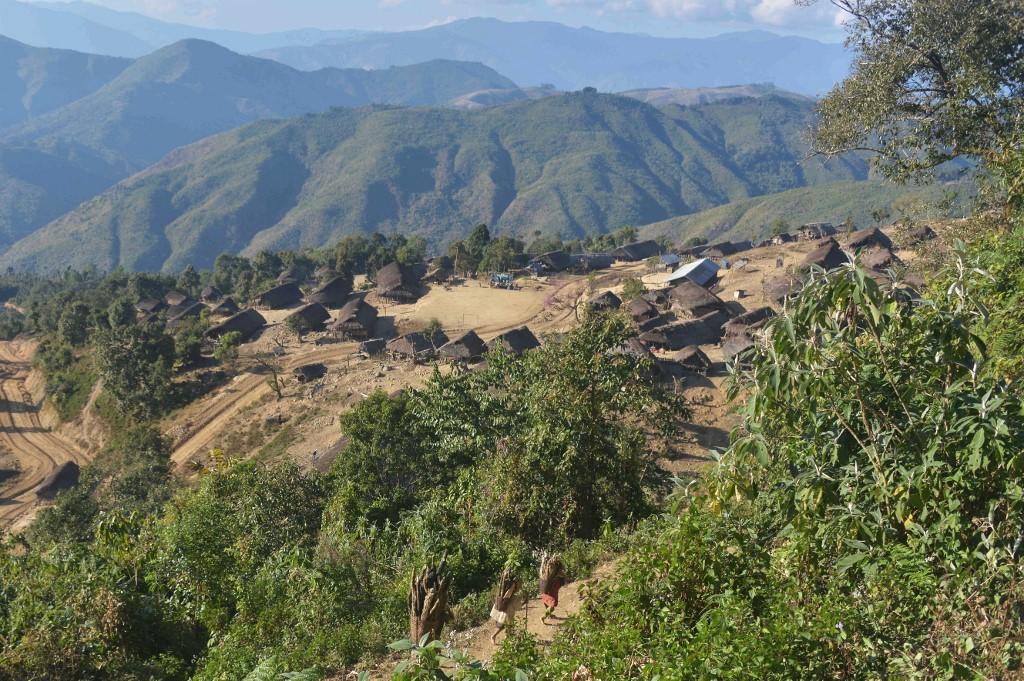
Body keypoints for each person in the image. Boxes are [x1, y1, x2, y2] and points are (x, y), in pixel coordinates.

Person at [490, 569, 521, 644]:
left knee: (506, 625)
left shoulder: (503, 589)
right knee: (504, 624)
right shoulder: (512, 590)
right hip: (507, 609)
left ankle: (508, 638)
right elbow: (510, 596)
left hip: (503, 607)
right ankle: (494, 636)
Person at [539, 554, 565, 625]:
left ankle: (550, 615)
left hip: (543, 592)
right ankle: (543, 617)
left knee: (547, 605)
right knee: (552, 606)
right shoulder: (554, 578)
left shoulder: (547, 577)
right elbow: (560, 583)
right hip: (547, 593)